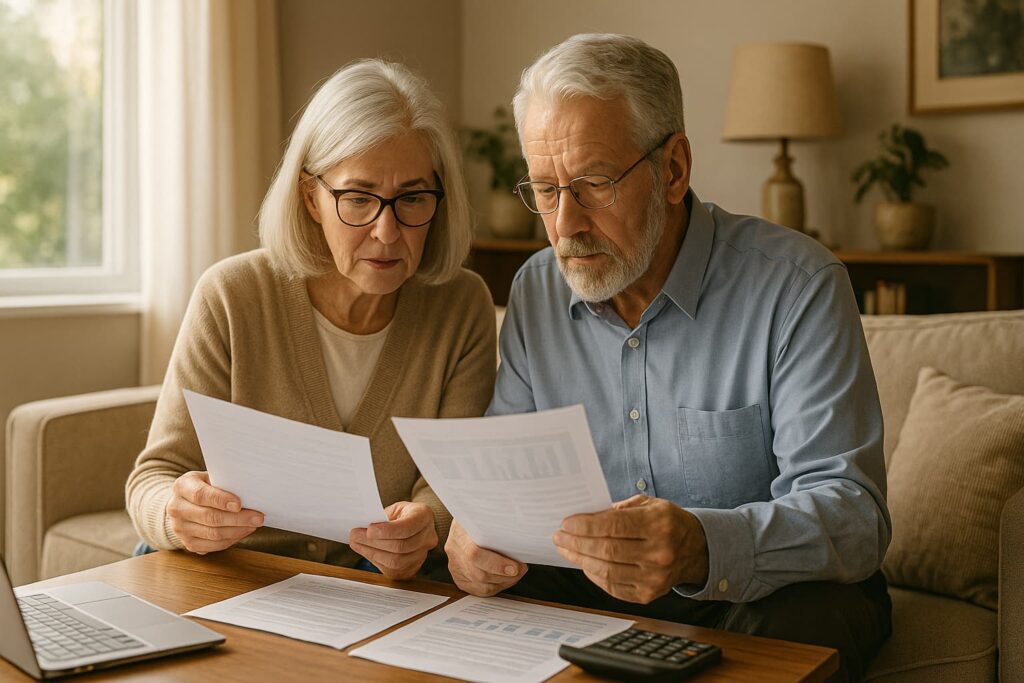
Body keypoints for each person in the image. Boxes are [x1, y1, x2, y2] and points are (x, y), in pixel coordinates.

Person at [443, 34, 891, 680]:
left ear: (674, 168)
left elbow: (854, 515)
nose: (566, 224)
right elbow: (501, 485)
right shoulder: (536, 289)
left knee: (809, 619)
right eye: (545, 189)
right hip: (590, 588)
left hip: (760, 595)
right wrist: (473, 536)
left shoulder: (798, 283)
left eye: (593, 183)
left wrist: (702, 546)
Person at [126, 59, 496, 580]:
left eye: (412, 198)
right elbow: (155, 476)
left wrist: (427, 523)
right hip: (225, 573)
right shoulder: (232, 295)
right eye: (358, 198)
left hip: (366, 587)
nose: (387, 232)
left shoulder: (461, 306)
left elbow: (453, 485)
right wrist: (176, 513)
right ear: (310, 197)